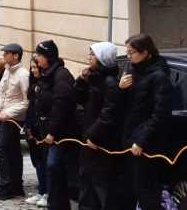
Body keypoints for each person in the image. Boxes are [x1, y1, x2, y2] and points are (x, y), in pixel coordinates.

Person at [114, 34, 172, 210]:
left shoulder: (159, 76)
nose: (129, 56)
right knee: (131, 188)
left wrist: (141, 140)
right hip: (129, 139)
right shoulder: (131, 71)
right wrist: (121, 89)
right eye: (127, 52)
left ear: (145, 52)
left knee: (146, 190)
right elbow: (123, 107)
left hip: (146, 144)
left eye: (132, 52)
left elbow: (160, 113)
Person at [73, 42, 120, 210]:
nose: (88, 57)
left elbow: (108, 114)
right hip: (88, 137)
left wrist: (93, 136)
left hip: (101, 142)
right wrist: (80, 81)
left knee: (102, 185)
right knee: (86, 181)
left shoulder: (109, 82)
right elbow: (78, 99)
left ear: (101, 58)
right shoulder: (93, 78)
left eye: (92, 55)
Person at [34, 40, 79, 210]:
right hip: (47, 130)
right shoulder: (46, 74)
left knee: (54, 167)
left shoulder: (61, 74)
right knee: (52, 168)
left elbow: (61, 105)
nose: (37, 59)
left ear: (48, 56)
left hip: (61, 133)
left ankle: (58, 205)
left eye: (39, 55)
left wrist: (52, 132)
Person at [0, 43, 29, 200]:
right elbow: (0, 93)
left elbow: (26, 102)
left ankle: (7, 185)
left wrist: (7, 113)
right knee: (13, 152)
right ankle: (16, 186)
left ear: (16, 56)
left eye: (7, 53)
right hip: (3, 117)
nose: (4, 56)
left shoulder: (23, 74)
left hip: (14, 119)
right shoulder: (7, 71)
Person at [25, 56, 48, 207]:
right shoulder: (33, 85)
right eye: (32, 67)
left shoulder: (46, 85)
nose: (33, 70)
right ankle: (41, 190)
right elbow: (30, 107)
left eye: (35, 67)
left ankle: (47, 192)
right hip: (33, 128)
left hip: (43, 129)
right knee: (37, 162)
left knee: (45, 162)